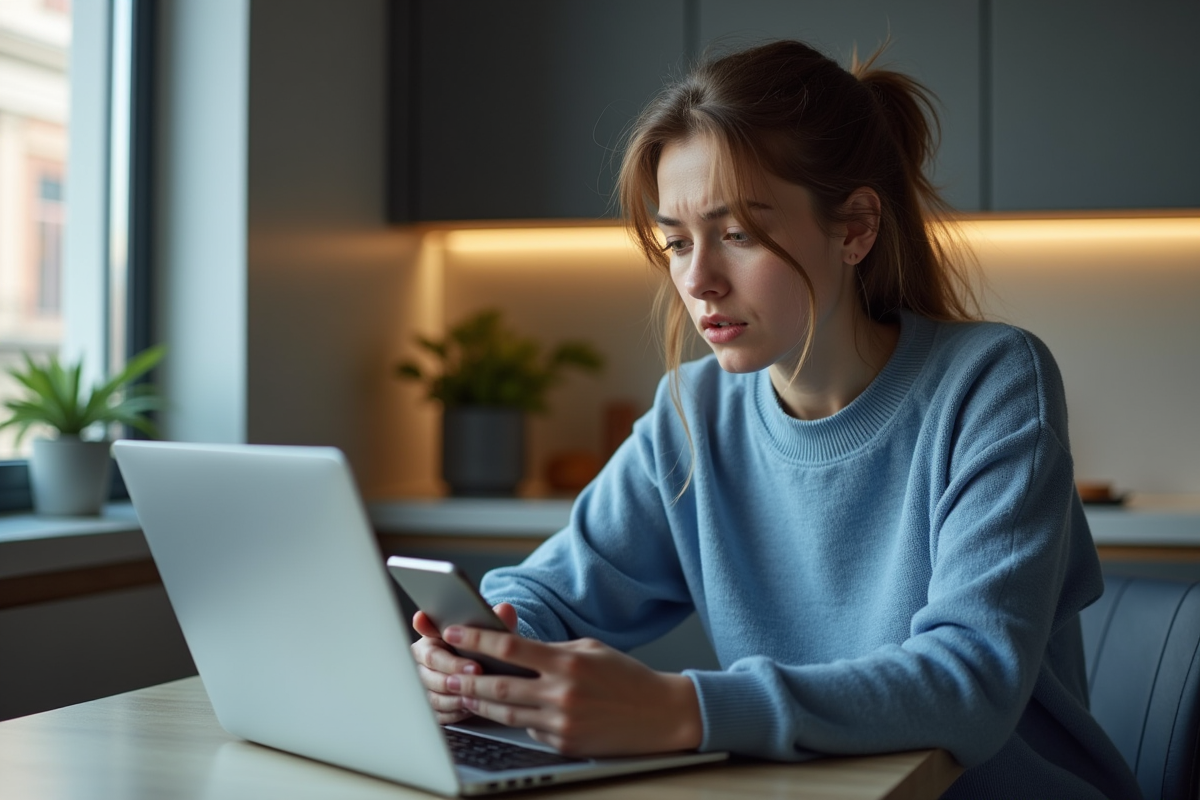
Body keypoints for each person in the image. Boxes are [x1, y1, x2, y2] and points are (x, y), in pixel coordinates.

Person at [410, 39, 1143, 799]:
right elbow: (545, 594)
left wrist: (680, 708)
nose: (698, 280)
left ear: (856, 227)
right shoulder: (693, 413)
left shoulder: (992, 381)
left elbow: (969, 681)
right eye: (676, 241)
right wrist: (478, 649)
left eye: (736, 235)